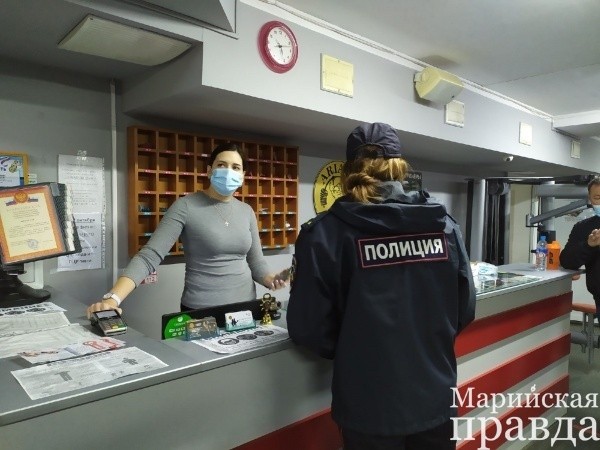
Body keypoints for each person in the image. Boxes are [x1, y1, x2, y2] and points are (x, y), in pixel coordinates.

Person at [286, 122, 476, 450]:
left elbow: (309, 328)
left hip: (368, 404)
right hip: (435, 396)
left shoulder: (324, 234)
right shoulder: (444, 227)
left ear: (349, 169)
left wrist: (356, 348)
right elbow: (464, 308)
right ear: (399, 167)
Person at [87, 143, 288, 318]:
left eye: (236, 167)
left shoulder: (246, 211)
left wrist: (271, 279)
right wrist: (112, 299)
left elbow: (256, 262)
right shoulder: (185, 206)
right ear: (209, 171)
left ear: (243, 175)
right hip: (201, 311)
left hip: (246, 308)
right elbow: (149, 256)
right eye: (221, 165)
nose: (229, 171)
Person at [559, 176, 600, 319]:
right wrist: (588, 245)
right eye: (597, 198)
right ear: (590, 199)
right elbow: (567, 261)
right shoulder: (583, 228)